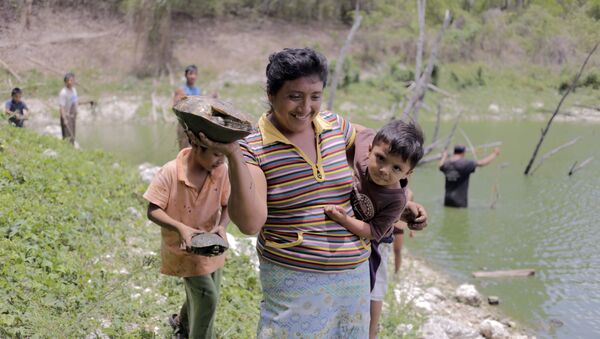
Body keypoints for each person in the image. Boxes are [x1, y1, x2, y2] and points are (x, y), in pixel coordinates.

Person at [197, 48, 427, 338]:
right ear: (271, 94)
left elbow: (383, 153)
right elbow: (251, 223)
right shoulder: (253, 147)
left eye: (315, 96)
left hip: (352, 279)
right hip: (295, 282)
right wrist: (232, 155)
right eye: (295, 96)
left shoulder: (335, 126)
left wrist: (402, 201)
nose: (306, 107)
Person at [323, 121, 426, 339]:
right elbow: (361, 131)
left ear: (409, 172)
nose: (384, 170)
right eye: (380, 158)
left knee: (371, 289)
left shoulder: (396, 199)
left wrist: (344, 219)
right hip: (344, 240)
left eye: (396, 168)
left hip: (374, 245)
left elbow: (373, 232)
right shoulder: (363, 153)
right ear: (371, 148)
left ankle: (368, 333)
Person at [144, 125, 230, 339]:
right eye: (217, 154)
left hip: (211, 247)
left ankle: (181, 323)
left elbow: (229, 203)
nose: (221, 160)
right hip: (183, 249)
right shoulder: (171, 171)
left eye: (224, 155)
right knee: (208, 298)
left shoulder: (221, 171)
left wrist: (222, 225)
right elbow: (153, 210)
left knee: (203, 294)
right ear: (196, 146)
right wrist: (180, 227)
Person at [174, 65, 202, 149]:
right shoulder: (181, 90)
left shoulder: (197, 90)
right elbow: (175, 105)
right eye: (190, 74)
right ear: (186, 75)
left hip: (195, 123)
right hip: (183, 123)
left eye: (195, 74)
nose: (193, 76)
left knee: (195, 149)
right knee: (184, 149)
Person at [58, 72, 78, 145]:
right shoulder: (63, 93)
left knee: (72, 135)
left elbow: (74, 102)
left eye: (72, 80)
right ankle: (67, 151)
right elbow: (61, 107)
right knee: (67, 136)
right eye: (68, 81)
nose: (70, 82)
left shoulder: (74, 91)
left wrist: (76, 112)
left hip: (72, 116)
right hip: (66, 116)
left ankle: (72, 150)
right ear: (65, 82)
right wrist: (65, 119)